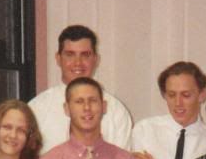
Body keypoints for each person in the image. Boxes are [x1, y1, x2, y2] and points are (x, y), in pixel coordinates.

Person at [29, 24, 133, 152]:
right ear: (58, 58)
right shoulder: (37, 108)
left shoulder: (116, 111)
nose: (78, 63)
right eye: (70, 54)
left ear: (96, 59)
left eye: (85, 55)